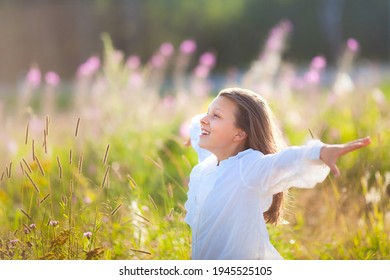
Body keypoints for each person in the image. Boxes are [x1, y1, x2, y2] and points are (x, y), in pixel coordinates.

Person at [184, 87, 371, 260]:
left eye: (216, 115)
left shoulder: (249, 168)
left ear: (239, 135)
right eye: (208, 113)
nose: (204, 120)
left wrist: (320, 153)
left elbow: (284, 161)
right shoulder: (209, 161)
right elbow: (197, 125)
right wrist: (199, 130)